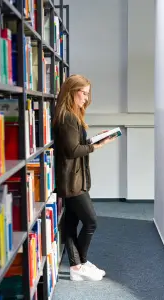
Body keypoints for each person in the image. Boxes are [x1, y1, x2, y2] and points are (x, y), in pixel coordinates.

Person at [52, 74, 115, 281]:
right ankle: (81, 263)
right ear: (72, 92)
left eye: (88, 94)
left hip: (72, 178)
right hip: (72, 181)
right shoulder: (68, 117)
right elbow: (72, 150)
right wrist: (96, 145)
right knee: (90, 221)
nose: (86, 99)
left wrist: (93, 140)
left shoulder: (70, 114)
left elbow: (74, 144)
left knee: (70, 223)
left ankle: (76, 266)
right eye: (84, 93)